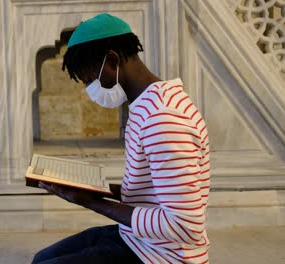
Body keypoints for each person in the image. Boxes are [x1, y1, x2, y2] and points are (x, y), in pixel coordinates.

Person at [32, 13, 210, 264]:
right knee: (43, 258)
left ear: (113, 60)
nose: (90, 89)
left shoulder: (163, 118)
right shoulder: (145, 105)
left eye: (90, 79)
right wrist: (91, 190)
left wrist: (91, 204)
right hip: (138, 239)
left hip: (163, 255)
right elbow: (152, 193)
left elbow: (184, 226)